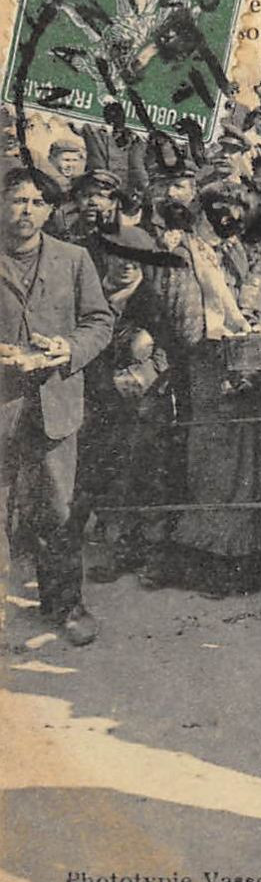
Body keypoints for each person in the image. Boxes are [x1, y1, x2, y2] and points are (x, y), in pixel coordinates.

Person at [0, 166, 114, 646]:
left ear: (48, 210)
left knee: (56, 510)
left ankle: (66, 605)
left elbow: (100, 322)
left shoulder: (74, 258)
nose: (24, 210)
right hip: (3, 403)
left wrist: (67, 349)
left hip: (55, 403)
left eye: (35, 202)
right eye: (15, 199)